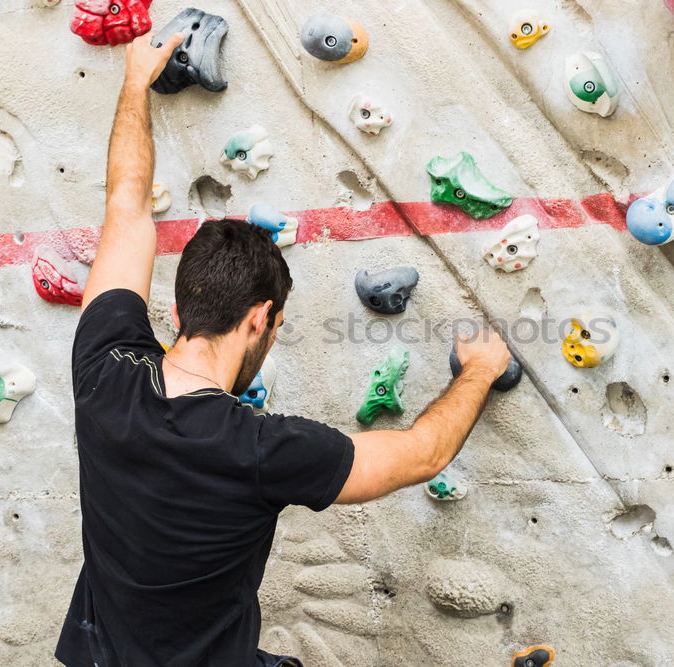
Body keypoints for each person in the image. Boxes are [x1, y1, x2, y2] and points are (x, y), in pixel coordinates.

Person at [54, 32, 512, 667]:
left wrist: (135, 84)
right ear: (261, 318)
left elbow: (125, 207)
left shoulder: (105, 368)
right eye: (275, 328)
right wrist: (480, 372)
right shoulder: (263, 450)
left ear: (182, 308)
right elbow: (422, 455)